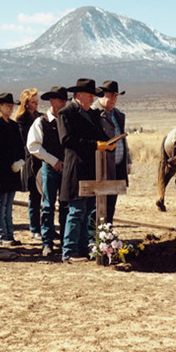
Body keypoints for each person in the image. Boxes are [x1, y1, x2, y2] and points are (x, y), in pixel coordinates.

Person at [57, 78, 112, 263]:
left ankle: (82, 249)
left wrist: (109, 143)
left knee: (87, 211)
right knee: (76, 211)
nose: (92, 99)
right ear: (79, 95)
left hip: (91, 170)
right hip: (76, 169)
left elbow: (100, 135)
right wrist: (95, 145)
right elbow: (67, 140)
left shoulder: (93, 114)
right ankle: (69, 251)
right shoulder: (66, 113)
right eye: (90, 96)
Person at [27, 86, 69, 257]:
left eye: (65, 100)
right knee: (48, 206)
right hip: (50, 169)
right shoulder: (41, 122)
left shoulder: (68, 121)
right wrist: (53, 161)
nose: (64, 103)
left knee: (66, 205)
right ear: (52, 101)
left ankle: (66, 241)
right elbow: (33, 146)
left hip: (66, 168)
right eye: (60, 100)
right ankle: (47, 242)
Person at [91, 80, 132, 224]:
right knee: (97, 204)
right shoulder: (93, 113)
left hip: (117, 166)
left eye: (116, 96)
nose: (114, 99)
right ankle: (95, 237)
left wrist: (127, 161)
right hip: (100, 167)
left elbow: (122, 139)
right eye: (111, 96)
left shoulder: (118, 115)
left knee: (111, 203)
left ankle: (107, 235)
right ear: (101, 96)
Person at [0, 92, 25, 246]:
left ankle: (9, 233)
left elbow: (19, 144)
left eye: (12, 106)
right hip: (2, 167)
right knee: (1, 202)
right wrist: (12, 160)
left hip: (13, 168)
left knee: (9, 202)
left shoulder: (13, 124)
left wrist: (20, 160)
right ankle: (2, 235)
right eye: (8, 106)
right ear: (0, 106)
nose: (11, 109)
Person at [15, 88, 43, 240]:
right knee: (34, 195)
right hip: (30, 160)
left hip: (42, 159)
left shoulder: (39, 117)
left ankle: (44, 227)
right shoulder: (21, 119)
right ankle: (35, 228)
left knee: (43, 195)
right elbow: (24, 141)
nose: (36, 104)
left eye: (37, 101)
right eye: (33, 102)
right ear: (26, 103)